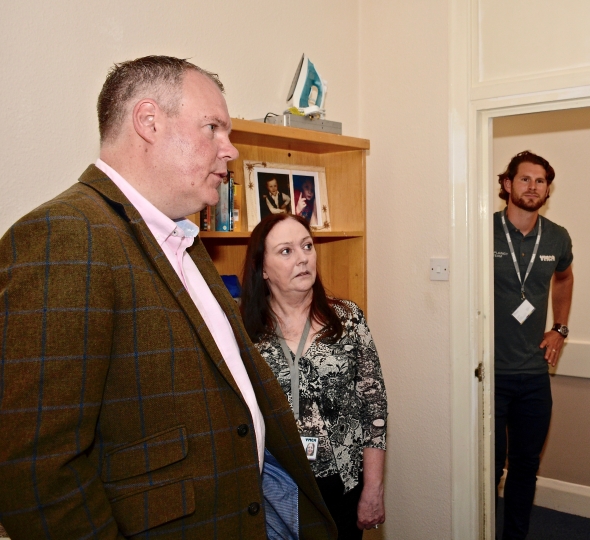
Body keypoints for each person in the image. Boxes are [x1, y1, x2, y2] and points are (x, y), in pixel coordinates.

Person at [0, 56, 335, 540]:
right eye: (214, 128)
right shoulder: (65, 235)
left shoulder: (181, 239)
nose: (231, 151)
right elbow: (34, 468)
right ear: (149, 122)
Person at [239, 213, 388, 540]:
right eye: (286, 251)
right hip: (275, 485)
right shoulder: (244, 334)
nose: (303, 257)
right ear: (262, 268)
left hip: (342, 484)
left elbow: (374, 408)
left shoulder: (347, 318)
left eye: (307, 246)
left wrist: (374, 488)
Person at [493, 151, 574, 540]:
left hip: (534, 373)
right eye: (525, 179)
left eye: (540, 181)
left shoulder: (557, 236)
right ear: (507, 184)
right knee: (488, 467)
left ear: (547, 189)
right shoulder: (482, 230)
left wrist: (560, 327)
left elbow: (564, 277)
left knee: (525, 467)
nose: (532, 187)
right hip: (488, 373)